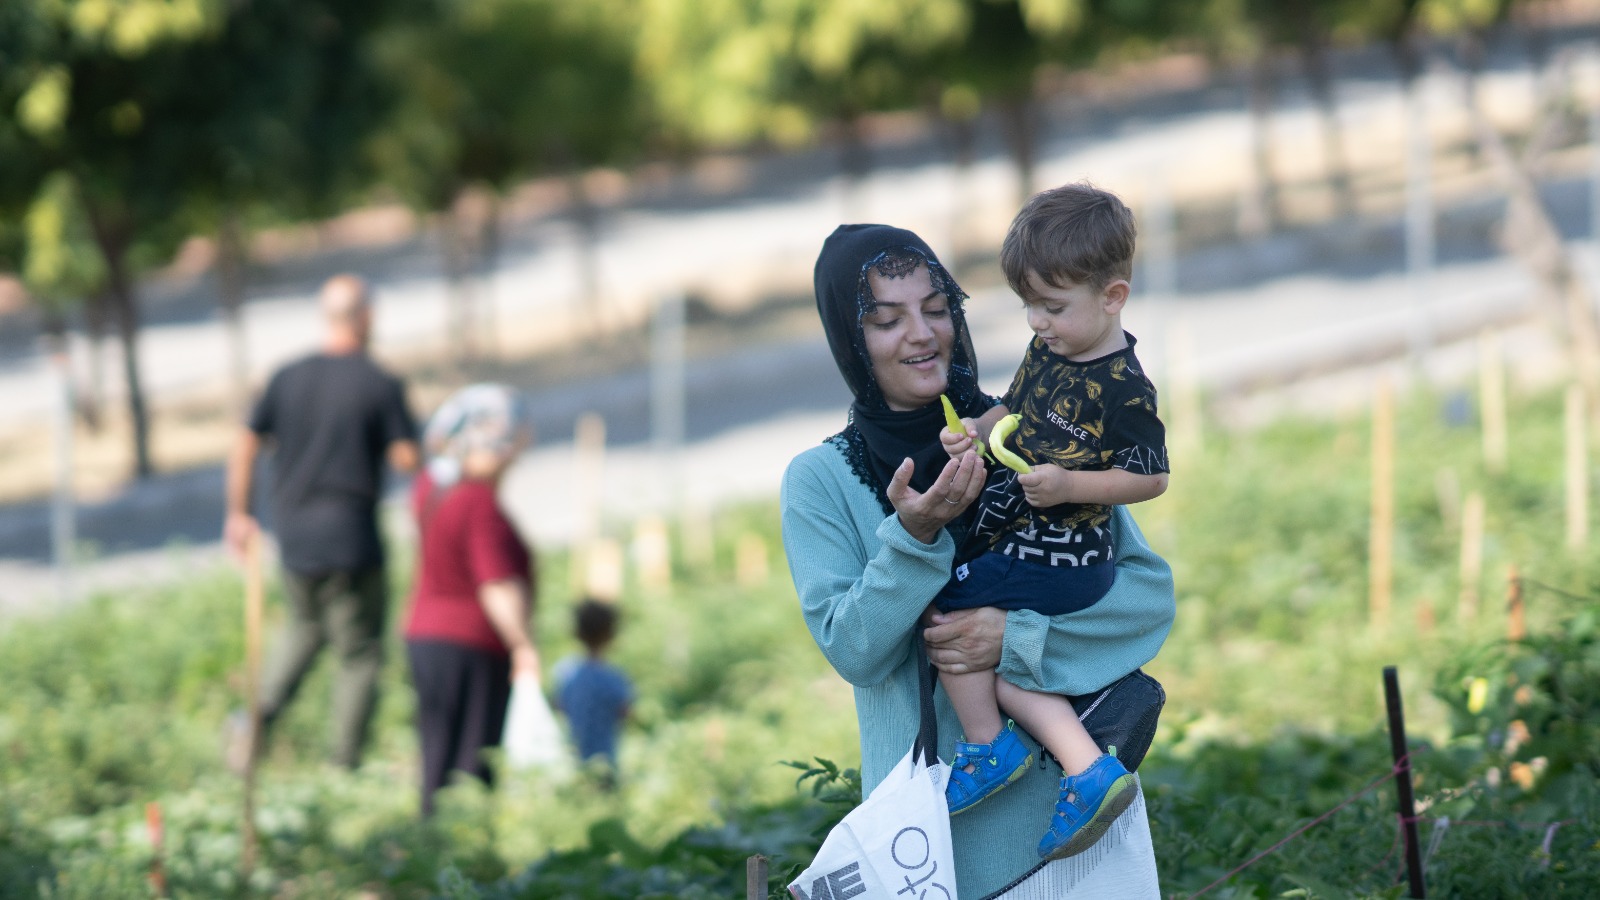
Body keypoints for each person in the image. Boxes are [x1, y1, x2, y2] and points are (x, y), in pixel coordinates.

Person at [781, 223, 1174, 897]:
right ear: (851, 340)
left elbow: (1144, 597)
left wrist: (1015, 638)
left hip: (1085, 837)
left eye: (937, 310)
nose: (922, 334)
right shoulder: (820, 480)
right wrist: (916, 535)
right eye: (885, 320)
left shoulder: (1030, 429)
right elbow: (854, 650)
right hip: (939, 858)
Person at [931, 182, 1171, 861]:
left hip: (1068, 555)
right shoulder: (1051, 351)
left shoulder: (1125, 386)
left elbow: (1150, 475)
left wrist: (1073, 483)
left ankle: (988, 748)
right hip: (1032, 543)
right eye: (1029, 304)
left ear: (1112, 296)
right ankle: (1087, 770)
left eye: (1054, 306)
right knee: (1010, 670)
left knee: (950, 605)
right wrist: (975, 431)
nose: (1037, 320)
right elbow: (1013, 408)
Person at [224, 273, 419, 771]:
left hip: (296, 536)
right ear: (366, 317)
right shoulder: (378, 380)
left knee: (305, 629)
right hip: (351, 536)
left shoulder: (286, 375)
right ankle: (343, 766)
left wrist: (239, 514)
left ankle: (254, 725)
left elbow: (244, 443)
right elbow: (405, 458)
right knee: (359, 654)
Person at [402, 383, 541, 817]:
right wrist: (522, 645)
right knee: (471, 760)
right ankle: (463, 864)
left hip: (423, 635)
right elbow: (496, 585)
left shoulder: (433, 487)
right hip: (470, 643)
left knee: (437, 753)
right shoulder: (478, 502)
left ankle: (431, 853)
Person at [552, 598, 634, 787]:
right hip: (605, 757)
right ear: (610, 635)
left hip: (571, 755)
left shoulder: (564, 671)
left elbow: (558, 705)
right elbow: (625, 711)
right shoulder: (613, 677)